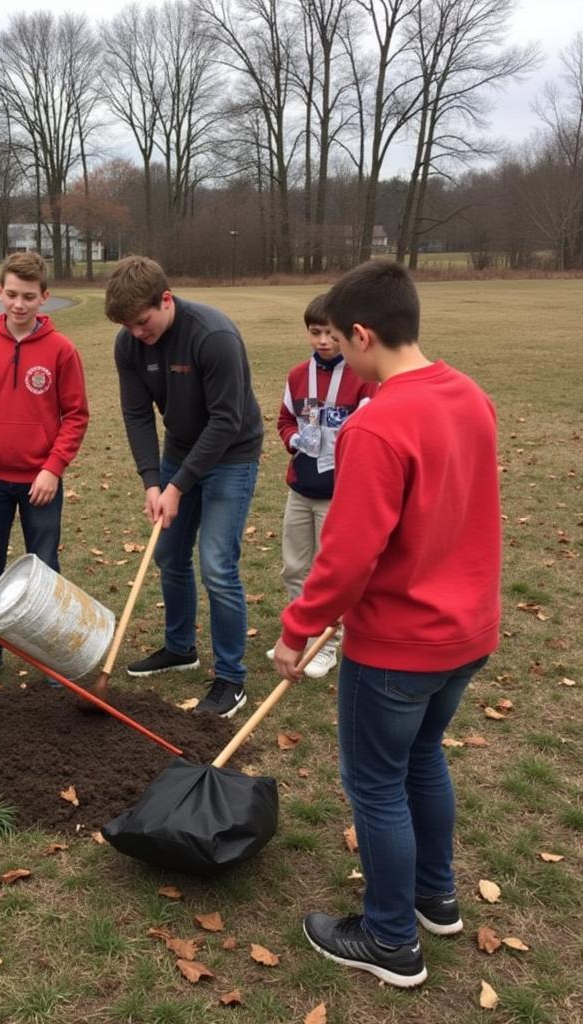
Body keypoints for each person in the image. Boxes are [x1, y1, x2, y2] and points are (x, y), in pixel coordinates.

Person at [272, 260, 501, 988]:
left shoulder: (376, 425)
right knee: (423, 758)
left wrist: (298, 627)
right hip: (466, 637)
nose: (341, 351)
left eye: (343, 338)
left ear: (363, 335)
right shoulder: (469, 395)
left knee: (375, 783)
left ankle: (392, 938)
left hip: (401, 646)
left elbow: (346, 555)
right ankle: (436, 897)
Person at [106, 255, 263, 718]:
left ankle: (231, 679)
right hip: (179, 450)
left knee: (217, 564)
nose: (137, 332)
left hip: (231, 454)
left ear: (166, 300)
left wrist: (179, 485)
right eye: (127, 325)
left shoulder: (212, 337)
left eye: (142, 321)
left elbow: (226, 421)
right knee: (169, 554)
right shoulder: (128, 344)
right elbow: (136, 414)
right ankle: (180, 648)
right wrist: (154, 482)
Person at [0, 251, 89, 688]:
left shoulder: (62, 349)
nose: (19, 304)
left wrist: (53, 468)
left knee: (45, 569)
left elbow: (76, 415)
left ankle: (51, 656)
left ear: (44, 297)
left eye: (29, 296)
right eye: (11, 295)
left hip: (39, 484)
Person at [266, 293, 376, 678]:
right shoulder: (298, 376)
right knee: (295, 567)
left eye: (331, 333)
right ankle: (303, 635)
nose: (323, 341)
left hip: (338, 494)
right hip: (301, 487)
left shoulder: (363, 377)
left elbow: (368, 431)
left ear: (346, 334)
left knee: (328, 573)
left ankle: (326, 644)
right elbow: (284, 419)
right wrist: (295, 439)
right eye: (316, 333)